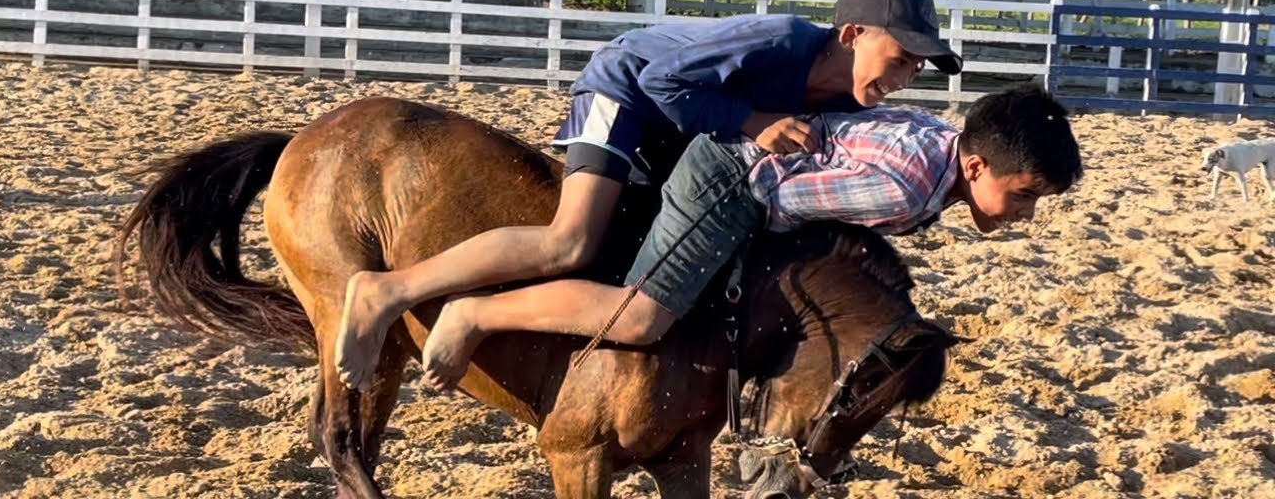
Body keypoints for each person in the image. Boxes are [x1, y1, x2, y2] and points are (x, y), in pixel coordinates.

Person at [334, 0, 963, 390]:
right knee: (570, 242)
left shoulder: (853, 102)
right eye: (900, 57)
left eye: (919, 67)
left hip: (686, 132)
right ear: (852, 34)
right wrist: (754, 120)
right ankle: (388, 291)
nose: (906, 75)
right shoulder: (779, 41)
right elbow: (662, 78)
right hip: (626, 89)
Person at [417, 85, 1083, 390]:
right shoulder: (910, 187)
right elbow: (782, 204)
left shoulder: (940, 157)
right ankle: (473, 310)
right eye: (1023, 193)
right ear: (976, 165)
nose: (1023, 212)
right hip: (732, 177)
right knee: (644, 317)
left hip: (757, 169)